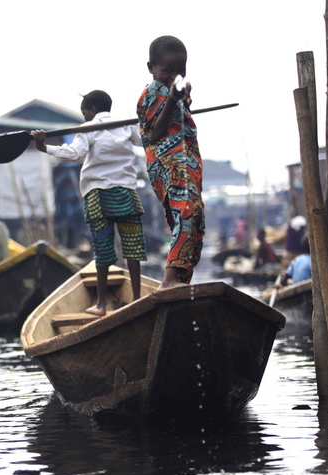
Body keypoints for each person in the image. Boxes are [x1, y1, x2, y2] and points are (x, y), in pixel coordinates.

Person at [30, 90, 147, 315]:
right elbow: (146, 140)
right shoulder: (126, 124)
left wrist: (44, 147)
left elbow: (75, 154)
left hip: (99, 196)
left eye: (85, 114)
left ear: (92, 111)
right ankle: (138, 299)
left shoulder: (88, 128)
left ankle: (102, 304)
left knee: (102, 249)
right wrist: (149, 122)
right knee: (133, 246)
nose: (84, 118)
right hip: (126, 194)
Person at [137, 35, 204, 290]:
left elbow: (179, 116)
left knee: (195, 222)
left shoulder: (170, 91)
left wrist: (183, 97)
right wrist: (174, 99)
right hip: (170, 164)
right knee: (185, 211)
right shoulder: (152, 92)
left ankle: (181, 281)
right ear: (151, 68)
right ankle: (170, 280)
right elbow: (154, 132)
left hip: (187, 164)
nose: (173, 75)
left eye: (180, 70)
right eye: (167, 70)